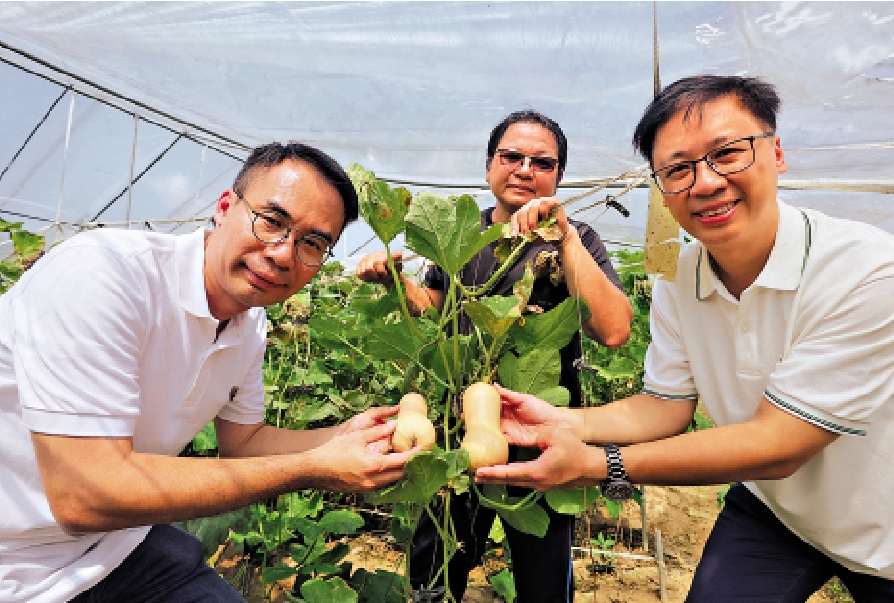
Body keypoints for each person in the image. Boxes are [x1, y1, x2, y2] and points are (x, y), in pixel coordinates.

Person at [476, 76, 894, 601]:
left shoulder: (869, 270)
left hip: (886, 533)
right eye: (677, 169)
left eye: (727, 153)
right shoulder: (680, 273)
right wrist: (562, 420)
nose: (706, 182)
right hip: (776, 509)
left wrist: (596, 463)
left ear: (777, 153)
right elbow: (665, 407)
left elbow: (781, 444)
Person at [0, 142, 417, 603]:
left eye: (312, 244)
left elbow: (245, 443)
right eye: (272, 221)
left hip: (120, 546)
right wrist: (311, 468)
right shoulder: (105, 274)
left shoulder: (250, 320)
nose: (282, 254)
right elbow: (84, 497)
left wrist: (342, 435)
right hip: (15, 563)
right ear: (224, 207)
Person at [357, 110, 633, 603]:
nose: (525, 169)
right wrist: (399, 286)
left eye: (541, 162)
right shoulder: (464, 239)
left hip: (542, 435)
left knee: (543, 581)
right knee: (435, 572)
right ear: (489, 167)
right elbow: (439, 315)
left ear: (558, 178)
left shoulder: (578, 239)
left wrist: (563, 235)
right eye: (512, 157)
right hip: (459, 429)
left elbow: (612, 331)